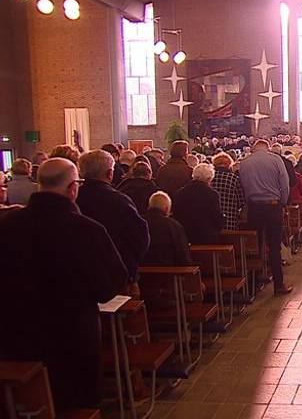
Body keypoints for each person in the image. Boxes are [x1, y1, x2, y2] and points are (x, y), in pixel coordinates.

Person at [0, 158, 127, 411]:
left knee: (26, 403)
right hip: (71, 338)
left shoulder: (7, 226)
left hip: (16, 336)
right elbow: (110, 286)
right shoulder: (87, 230)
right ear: (72, 188)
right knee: (74, 404)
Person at [76, 149, 149, 287]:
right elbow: (140, 237)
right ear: (110, 173)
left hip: (79, 274)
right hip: (116, 272)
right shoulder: (119, 201)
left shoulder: (74, 199)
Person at [238, 139, 293, 295]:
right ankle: (279, 285)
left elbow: (243, 184)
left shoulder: (245, 162)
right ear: (268, 149)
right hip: (273, 206)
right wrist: (282, 202)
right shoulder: (275, 160)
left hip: (254, 207)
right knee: (274, 246)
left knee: (255, 245)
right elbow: (284, 183)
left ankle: (253, 284)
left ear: (254, 149)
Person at [173, 163, 224, 245]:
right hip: (206, 236)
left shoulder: (180, 192)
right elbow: (217, 218)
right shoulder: (212, 194)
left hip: (185, 236)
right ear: (208, 179)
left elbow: (176, 214)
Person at [142, 191, 193, 266]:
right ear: (166, 209)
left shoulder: (138, 222)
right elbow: (182, 253)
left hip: (140, 272)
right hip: (167, 272)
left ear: (149, 206)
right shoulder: (173, 225)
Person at [211, 152, 246, 230]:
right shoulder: (233, 178)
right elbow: (241, 201)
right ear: (229, 164)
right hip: (229, 218)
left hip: (211, 219)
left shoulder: (209, 177)